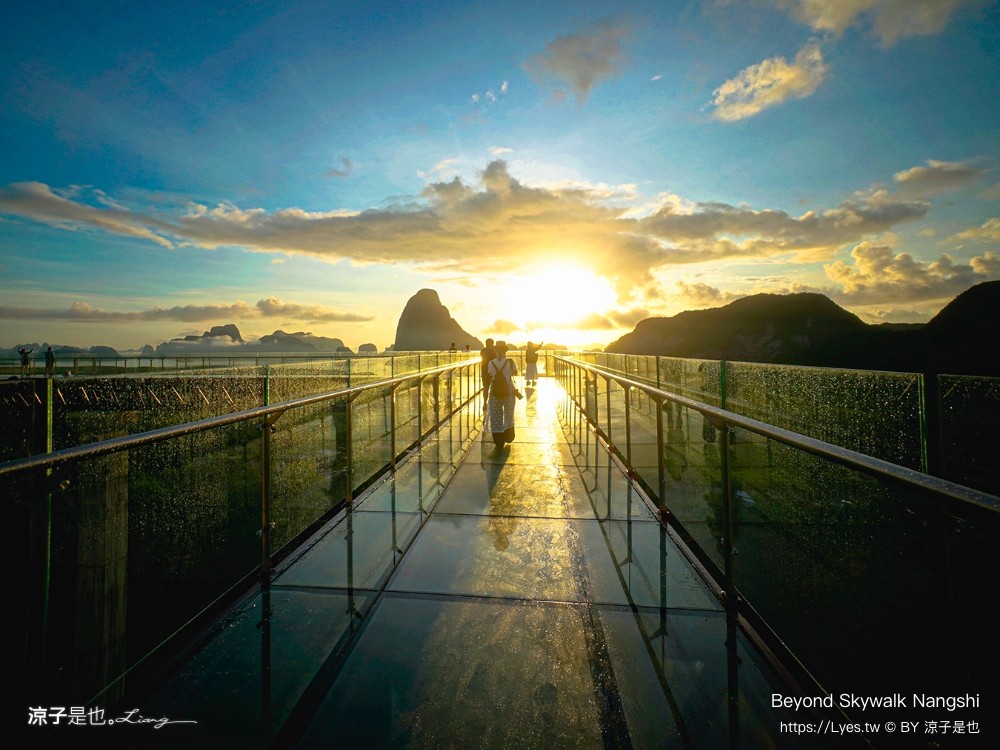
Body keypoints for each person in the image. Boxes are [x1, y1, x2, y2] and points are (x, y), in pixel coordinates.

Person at [487, 340, 520, 448]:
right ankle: (509, 436)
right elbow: (515, 373)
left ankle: (498, 439)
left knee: (496, 414)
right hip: (509, 390)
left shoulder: (491, 363)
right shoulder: (510, 362)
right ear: (506, 351)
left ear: (495, 350)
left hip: (495, 391)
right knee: (509, 413)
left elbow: (490, 374)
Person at [479, 338, 496, 407]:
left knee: (485, 388)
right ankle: (493, 403)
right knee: (494, 387)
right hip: (493, 372)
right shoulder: (495, 351)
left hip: (485, 371)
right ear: (492, 343)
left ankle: (484, 403)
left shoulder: (483, 351)